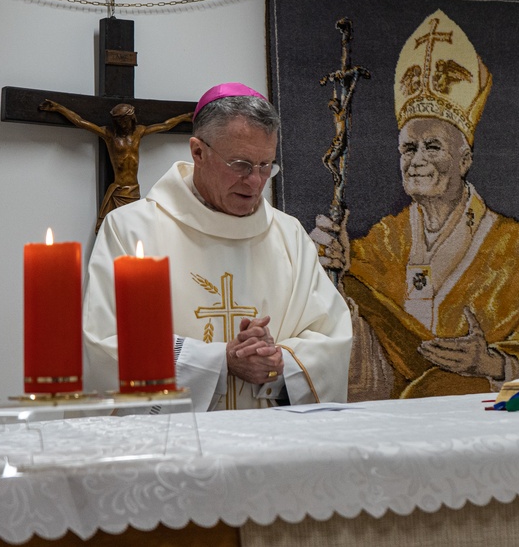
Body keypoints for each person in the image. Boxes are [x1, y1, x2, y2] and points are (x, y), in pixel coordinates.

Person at [314, 9, 519, 401]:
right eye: (408, 148)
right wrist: (329, 262)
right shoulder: (383, 240)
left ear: (464, 158)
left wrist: (491, 364)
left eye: (432, 146)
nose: (417, 159)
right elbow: (356, 324)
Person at [83, 83, 352, 411]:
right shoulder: (131, 230)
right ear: (198, 152)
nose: (255, 181)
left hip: (273, 447)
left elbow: (330, 336)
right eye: (240, 165)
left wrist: (281, 361)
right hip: (177, 450)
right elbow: (104, 347)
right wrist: (219, 362)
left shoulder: (289, 235)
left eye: (266, 166)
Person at [39, 99, 192, 231]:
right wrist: (59, 108)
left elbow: (165, 125)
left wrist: (184, 117)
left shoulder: (139, 132)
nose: (122, 124)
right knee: (114, 228)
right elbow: (80, 122)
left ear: (132, 118)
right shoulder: (109, 135)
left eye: (124, 121)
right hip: (118, 192)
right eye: (118, 122)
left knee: (133, 227)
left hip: (133, 191)